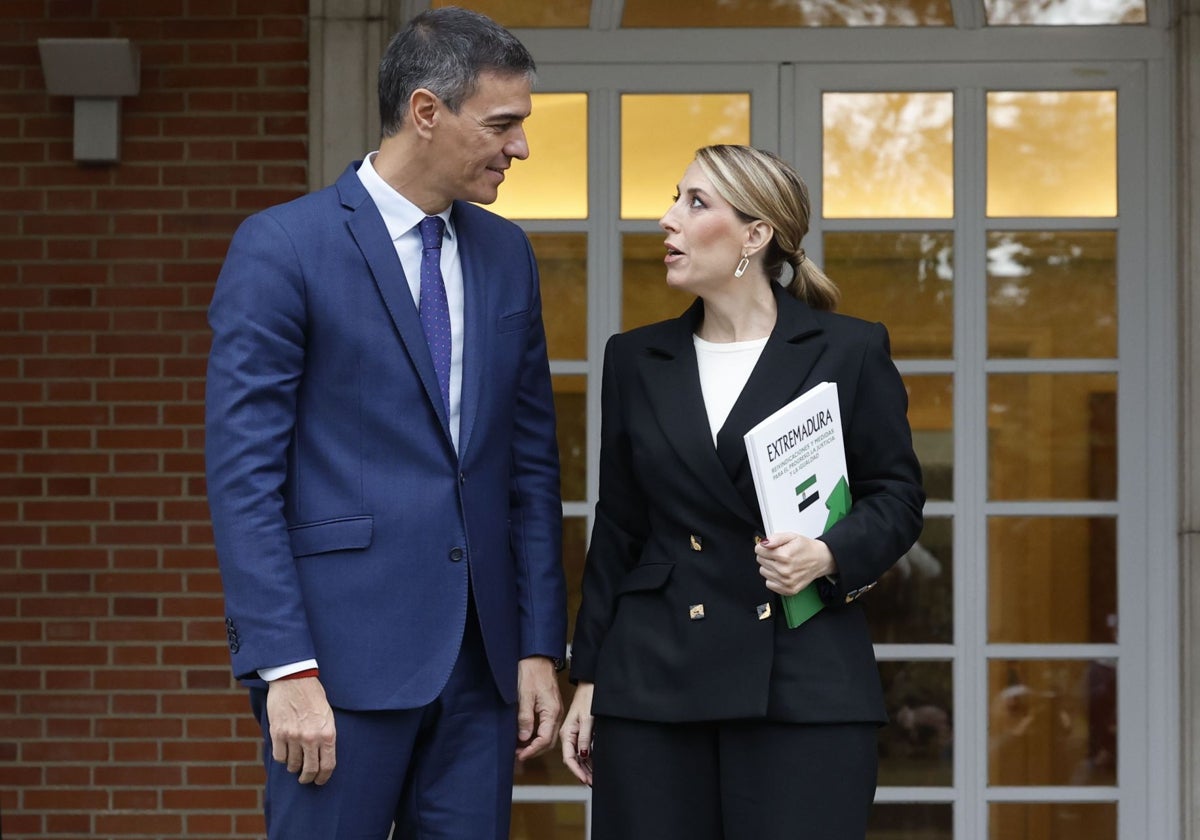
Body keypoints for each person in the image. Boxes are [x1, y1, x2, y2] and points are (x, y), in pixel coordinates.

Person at [204, 8, 566, 839]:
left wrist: (539, 646)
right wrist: (284, 664)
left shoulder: (507, 255)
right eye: (503, 124)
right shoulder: (283, 248)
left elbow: (529, 466)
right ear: (426, 111)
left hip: (480, 673)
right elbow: (243, 478)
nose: (519, 148)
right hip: (335, 671)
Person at [559, 144, 925, 840]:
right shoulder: (635, 359)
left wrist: (827, 554)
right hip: (654, 679)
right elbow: (620, 528)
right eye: (676, 198)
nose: (667, 220)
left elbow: (897, 495)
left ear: (756, 236)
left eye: (695, 203)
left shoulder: (847, 350)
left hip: (802, 682)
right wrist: (592, 676)